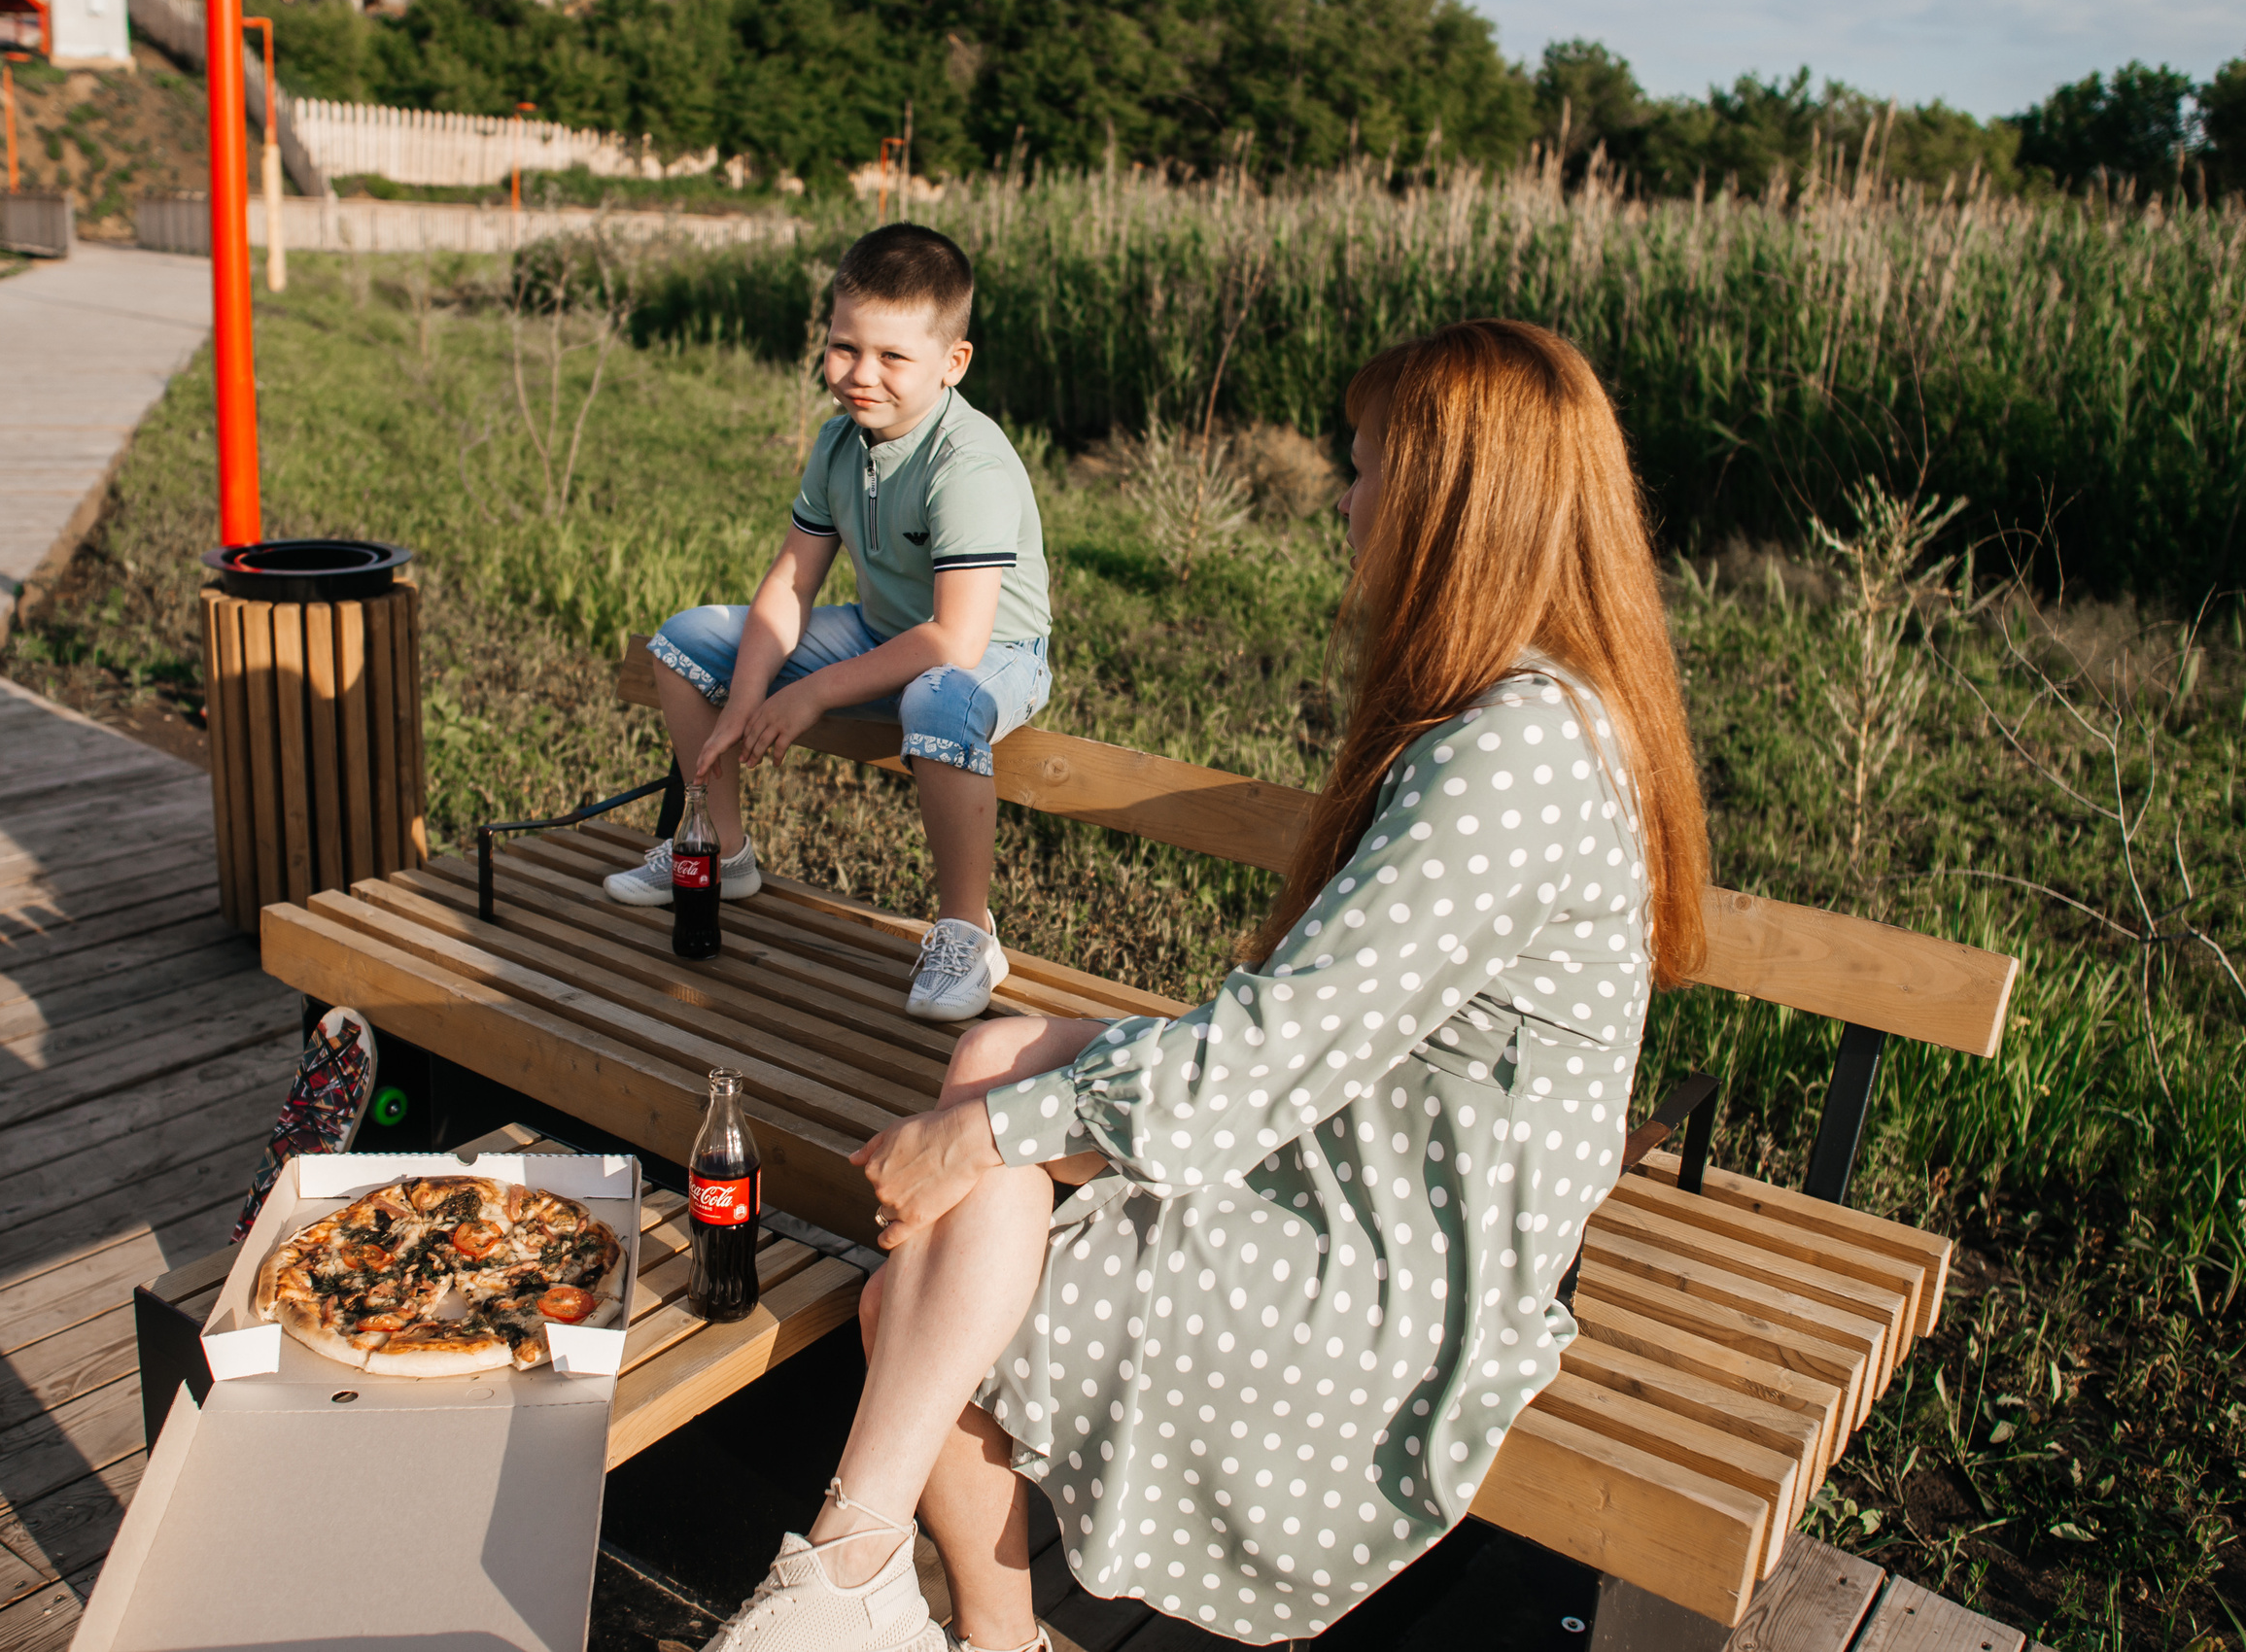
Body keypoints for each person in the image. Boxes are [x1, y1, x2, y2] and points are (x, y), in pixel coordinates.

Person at [694, 317, 1712, 1652]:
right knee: (992, 1060)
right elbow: (1321, 1024)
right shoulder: (1521, 703)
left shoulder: (1513, 752)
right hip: (1380, 1113)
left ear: (1455, 500)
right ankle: (894, 1589)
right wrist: (994, 1110)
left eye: (1366, 468)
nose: (1346, 500)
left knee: (925, 1277)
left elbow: (1288, 1038)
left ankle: (881, 1585)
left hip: (1410, 1219)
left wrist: (984, 1135)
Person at [606, 223, 1053, 1021]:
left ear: (953, 363)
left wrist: (808, 695)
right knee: (685, 639)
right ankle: (724, 851)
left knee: (939, 699)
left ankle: (964, 930)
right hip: (883, 635)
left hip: (993, 651)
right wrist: (746, 700)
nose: (860, 375)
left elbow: (956, 639)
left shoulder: (968, 463)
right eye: (844, 347)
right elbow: (790, 580)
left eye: (892, 357)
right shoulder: (838, 442)